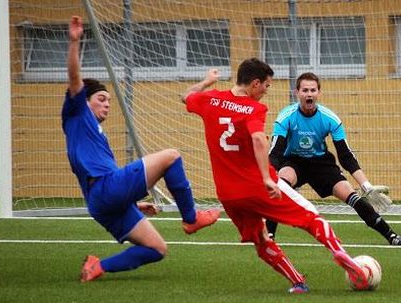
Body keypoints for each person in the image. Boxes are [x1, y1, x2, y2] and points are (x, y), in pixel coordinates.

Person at [182, 58, 369, 293]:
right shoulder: (254, 108)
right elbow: (259, 139)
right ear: (255, 83)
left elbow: (185, 96)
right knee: (312, 218)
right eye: (266, 86)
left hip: (229, 195)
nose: (266, 92)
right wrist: (268, 178)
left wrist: (207, 82)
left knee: (261, 240)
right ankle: (340, 253)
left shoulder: (210, 99)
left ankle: (298, 282)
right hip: (257, 186)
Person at [62, 16, 220, 283]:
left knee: (157, 248)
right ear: (84, 101)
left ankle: (98, 267)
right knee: (172, 156)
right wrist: (74, 42)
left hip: (102, 202)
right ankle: (191, 218)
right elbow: (75, 78)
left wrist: (132, 201)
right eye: (101, 99)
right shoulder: (77, 113)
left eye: (109, 100)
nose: (107, 104)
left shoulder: (94, 134)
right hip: (105, 188)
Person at [266, 72, 401, 246]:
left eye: (313, 90)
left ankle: (391, 236)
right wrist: (269, 179)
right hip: (293, 162)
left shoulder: (330, 118)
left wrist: (366, 185)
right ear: (297, 93)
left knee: (351, 195)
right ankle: (269, 237)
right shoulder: (286, 117)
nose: (309, 94)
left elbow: (345, 155)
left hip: (321, 163)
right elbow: (275, 152)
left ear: (319, 93)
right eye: (305, 90)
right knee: (280, 184)